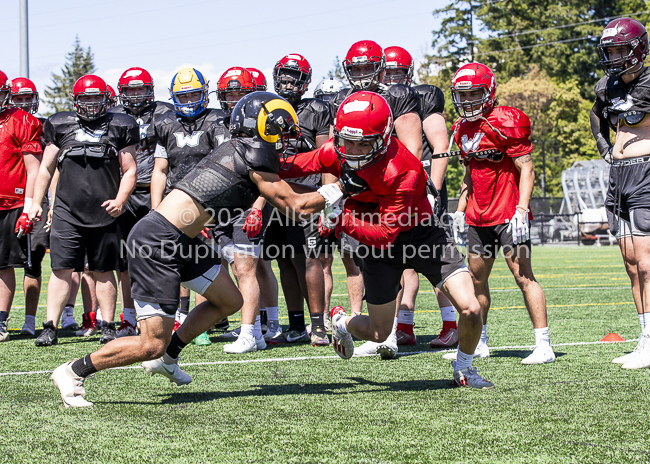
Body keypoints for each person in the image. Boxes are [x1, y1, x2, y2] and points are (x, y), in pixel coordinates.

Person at [49, 92, 359, 407]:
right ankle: (74, 371)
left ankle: (169, 357)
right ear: (262, 128)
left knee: (229, 300)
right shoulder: (251, 154)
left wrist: (330, 194)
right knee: (150, 343)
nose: (285, 140)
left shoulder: (242, 150)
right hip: (158, 243)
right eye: (281, 132)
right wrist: (343, 189)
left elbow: (289, 190)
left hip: (181, 239)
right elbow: (293, 204)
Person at [281, 91, 493, 389]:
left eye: (363, 142)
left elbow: (383, 235)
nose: (353, 150)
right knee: (380, 334)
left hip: (421, 234)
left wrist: (337, 216)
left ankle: (465, 369)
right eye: (347, 140)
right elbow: (291, 165)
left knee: (470, 308)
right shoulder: (336, 149)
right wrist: (252, 158)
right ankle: (342, 322)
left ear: (383, 136)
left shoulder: (401, 168)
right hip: (380, 241)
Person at [443, 62, 555, 365]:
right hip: (478, 218)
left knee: (524, 276)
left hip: (508, 214)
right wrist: (459, 211)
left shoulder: (505, 121)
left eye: (473, 94)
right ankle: (480, 342)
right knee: (476, 280)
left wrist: (521, 210)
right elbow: (469, 175)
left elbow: (527, 169)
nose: (467, 101)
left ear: (489, 92)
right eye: (462, 95)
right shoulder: (461, 128)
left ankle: (543, 344)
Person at [330, 40, 424, 357]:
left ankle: (392, 331)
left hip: (392, 194)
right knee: (359, 263)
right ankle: (363, 325)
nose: (361, 74)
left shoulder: (397, 96)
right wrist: (331, 197)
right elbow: (333, 155)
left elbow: (411, 151)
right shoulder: (343, 101)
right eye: (355, 68)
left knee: (400, 262)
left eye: (367, 66)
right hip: (357, 198)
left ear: (381, 66)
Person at [29, 74, 138, 347]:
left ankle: (108, 326)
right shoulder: (59, 123)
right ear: (76, 100)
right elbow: (46, 168)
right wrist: (36, 202)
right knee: (61, 269)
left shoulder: (120, 125)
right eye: (85, 98)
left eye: (95, 97)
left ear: (106, 99)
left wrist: (121, 200)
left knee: (103, 270)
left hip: (106, 210)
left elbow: (130, 170)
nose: (90, 104)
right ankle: (50, 326)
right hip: (67, 210)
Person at [382, 45, 460, 348]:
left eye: (398, 72)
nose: (392, 78)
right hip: (394, 189)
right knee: (400, 261)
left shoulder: (422, 96)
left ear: (408, 73)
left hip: (422, 188)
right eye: (387, 72)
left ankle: (452, 324)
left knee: (438, 259)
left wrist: (433, 191)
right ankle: (403, 326)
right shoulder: (379, 102)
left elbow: (440, 146)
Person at [151, 67, 229, 345]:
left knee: (207, 260)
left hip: (209, 201)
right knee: (177, 260)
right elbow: (160, 170)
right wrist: (155, 208)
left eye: (194, 94)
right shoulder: (165, 123)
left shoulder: (216, 120)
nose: (189, 101)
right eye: (183, 96)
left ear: (205, 93)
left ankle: (202, 323)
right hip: (176, 202)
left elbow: (224, 163)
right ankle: (183, 317)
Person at [592, 17, 650, 369]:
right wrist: (604, 148)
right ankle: (644, 338)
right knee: (631, 264)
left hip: (646, 173)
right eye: (609, 50)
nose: (613, 56)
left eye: (619, 49)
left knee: (647, 263)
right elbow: (595, 115)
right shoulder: (606, 86)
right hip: (619, 175)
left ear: (638, 49)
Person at [264, 53, 331, 346]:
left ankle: (318, 326)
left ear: (306, 81)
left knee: (309, 259)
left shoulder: (317, 109)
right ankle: (295, 324)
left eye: (296, 77)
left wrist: (328, 200)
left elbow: (328, 158)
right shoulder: (265, 106)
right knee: (284, 261)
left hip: (306, 194)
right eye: (285, 76)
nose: (289, 82)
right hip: (274, 194)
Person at [212, 67, 278, 353]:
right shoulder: (218, 124)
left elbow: (270, 174)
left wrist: (258, 206)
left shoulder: (265, 125)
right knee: (233, 264)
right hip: (225, 204)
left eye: (240, 93)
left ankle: (250, 332)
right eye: (229, 93)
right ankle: (256, 333)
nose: (233, 99)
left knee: (246, 268)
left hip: (249, 203)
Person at [110, 67, 174, 338]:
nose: (136, 95)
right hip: (125, 194)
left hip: (158, 191)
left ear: (150, 89)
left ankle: (175, 314)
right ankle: (129, 316)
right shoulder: (113, 117)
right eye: (130, 90)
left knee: (168, 255)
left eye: (140, 89)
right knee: (124, 260)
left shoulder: (166, 113)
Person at [9, 77, 56, 337]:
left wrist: (51, 200)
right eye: (19, 99)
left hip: (39, 198)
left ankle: (29, 319)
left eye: (28, 98)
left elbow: (53, 167)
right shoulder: (7, 123)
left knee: (34, 256)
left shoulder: (46, 125)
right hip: (12, 199)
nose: (25, 103)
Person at [0, 71, 43, 342]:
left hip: (10, 203)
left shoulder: (24, 121)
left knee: (2, 265)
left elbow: (33, 169)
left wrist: (29, 208)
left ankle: (1, 321)